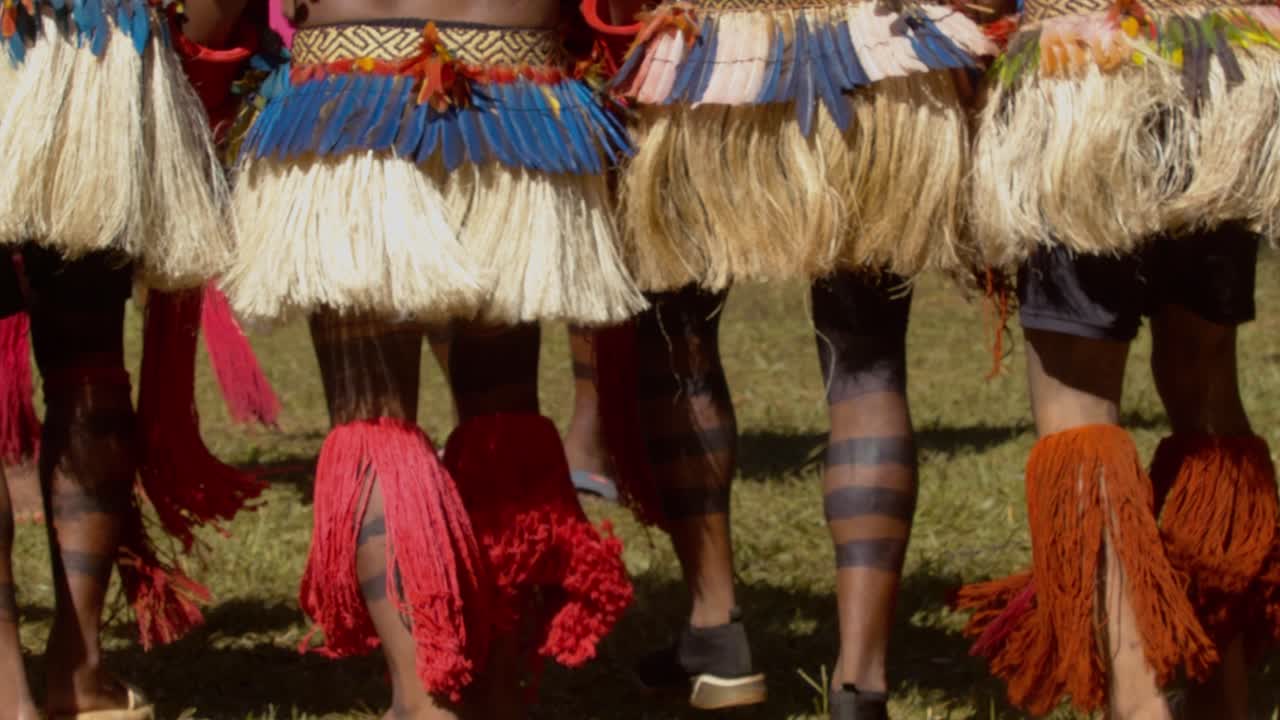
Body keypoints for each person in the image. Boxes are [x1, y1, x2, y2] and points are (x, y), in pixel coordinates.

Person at [222, 0, 641, 715]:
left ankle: (422, 702)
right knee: (503, 407)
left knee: (372, 424)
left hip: (347, 98)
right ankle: (499, 690)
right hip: (515, 101)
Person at [584, 0, 994, 715]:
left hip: (708, 51)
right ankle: (861, 680)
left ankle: (717, 631)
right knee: (867, 362)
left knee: (678, 336)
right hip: (873, 53)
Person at [954, 2, 1280, 718]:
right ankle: (1225, 694)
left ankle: (1139, 705)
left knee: (1075, 409)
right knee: (1208, 392)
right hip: (1221, 76)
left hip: (1083, 86)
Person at [0, 0, 264, 715]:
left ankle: (7, 690)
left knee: (87, 359)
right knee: (87, 357)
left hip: (60, 45)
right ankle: (79, 670)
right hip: (100, 49)